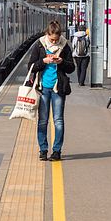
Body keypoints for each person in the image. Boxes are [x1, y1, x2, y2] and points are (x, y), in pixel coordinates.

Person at [28, 20, 76, 161]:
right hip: (43, 88)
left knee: (58, 120)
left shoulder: (65, 45)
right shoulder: (39, 45)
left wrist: (61, 61)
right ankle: (43, 150)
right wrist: (43, 61)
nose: (54, 42)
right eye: (52, 39)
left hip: (58, 88)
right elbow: (31, 66)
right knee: (43, 120)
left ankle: (56, 151)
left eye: (56, 40)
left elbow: (71, 68)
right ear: (47, 35)